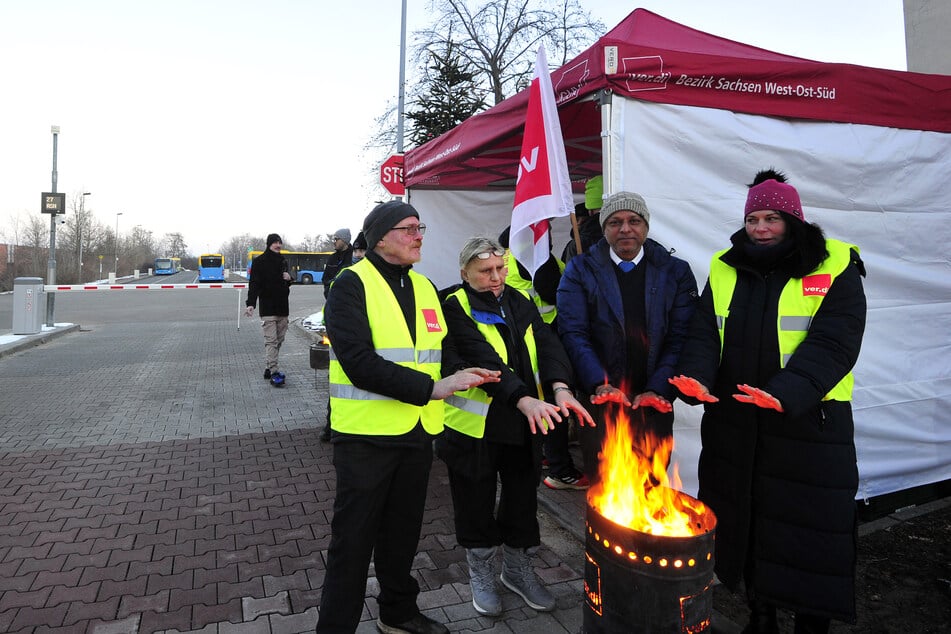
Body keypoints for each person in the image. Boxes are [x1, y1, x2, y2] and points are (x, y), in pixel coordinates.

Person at [669, 169, 867, 634]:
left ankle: (812, 622)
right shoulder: (725, 265)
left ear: (793, 219)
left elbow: (836, 342)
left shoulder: (835, 264)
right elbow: (703, 332)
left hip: (808, 423)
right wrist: (697, 379)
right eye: (753, 218)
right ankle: (761, 614)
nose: (760, 227)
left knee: (809, 528)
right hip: (736, 421)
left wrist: (785, 393)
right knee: (746, 521)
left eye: (771, 218)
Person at [316, 201, 499, 634]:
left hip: (418, 434)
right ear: (380, 237)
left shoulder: (424, 286)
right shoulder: (350, 285)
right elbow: (358, 361)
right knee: (353, 543)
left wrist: (464, 373)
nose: (420, 236)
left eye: (422, 227)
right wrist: (432, 389)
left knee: (402, 535)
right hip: (365, 439)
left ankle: (397, 614)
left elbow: (441, 349)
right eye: (410, 228)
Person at [438, 237, 594, 617]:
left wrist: (560, 387)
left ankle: (517, 570)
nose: (496, 277)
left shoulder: (519, 300)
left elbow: (548, 344)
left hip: (525, 421)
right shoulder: (452, 306)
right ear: (465, 273)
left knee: (523, 499)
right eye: (486, 271)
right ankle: (482, 572)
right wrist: (523, 398)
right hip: (475, 427)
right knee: (474, 502)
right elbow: (483, 359)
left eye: (501, 268)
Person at [556, 192, 698, 483]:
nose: (625, 229)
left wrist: (658, 389)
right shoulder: (580, 270)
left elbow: (681, 336)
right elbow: (574, 332)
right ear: (604, 227)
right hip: (601, 402)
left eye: (634, 220)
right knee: (606, 491)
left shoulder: (675, 271)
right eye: (615, 222)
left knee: (651, 485)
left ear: (645, 225)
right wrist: (601, 383)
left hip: (654, 403)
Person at [497, 226, 586, 490]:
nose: (546, 238)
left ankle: (547, 455)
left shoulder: (510, 260)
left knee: (541, 404)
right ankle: (560, 470)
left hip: (535, 340)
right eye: (540, 234)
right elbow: (550, 293)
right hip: (537, 343)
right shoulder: (533, 263)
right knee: (551, 406)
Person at [318, 229, 369, 443]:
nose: (358, 254)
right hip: (342, 339)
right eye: (357, 250)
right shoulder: (343, 274)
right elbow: (328, 290)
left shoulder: (372, 277)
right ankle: (333, 426)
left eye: (362, 250)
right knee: (339, 387)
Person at [245, 233, 293, 386]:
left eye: (279, 242)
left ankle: (268, 366)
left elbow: (286, 282)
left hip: (283, 308)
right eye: (275, 243)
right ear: (269, 244)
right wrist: (251, 304)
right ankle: (274, 372)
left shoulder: (283, 261)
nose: (278, 245)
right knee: (271, 341)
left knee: (279, 340)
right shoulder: (260, 262)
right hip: (268, 308)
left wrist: (289, 279)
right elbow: (254, 284)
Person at [561, 175, 604, 264]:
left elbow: (570, 276)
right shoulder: (621, 235)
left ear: (590, 211)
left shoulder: (578, 244)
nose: (579, 223)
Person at [322, 228, 353, 298]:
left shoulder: (354, 257)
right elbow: (325, 279)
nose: (334, 242)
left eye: (336, 239)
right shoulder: (332, 258)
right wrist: (328, 293)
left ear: (344, 240)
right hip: (333, 299)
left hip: (350, 301)